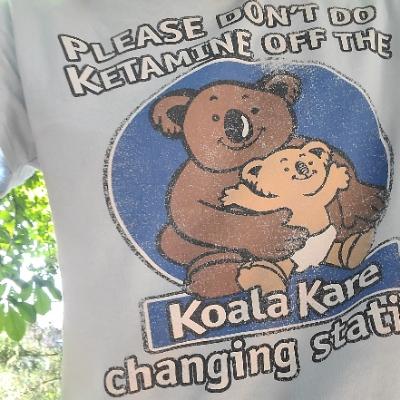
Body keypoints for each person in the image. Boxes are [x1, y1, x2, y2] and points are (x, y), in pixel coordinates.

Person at [1, 1, 399, 399]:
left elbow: (334, 167)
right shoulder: (31, 22)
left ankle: (340, 249)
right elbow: (189, 216)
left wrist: (354, 196)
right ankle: (246, 276)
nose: (239, 123)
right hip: (172, 352)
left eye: (252, 108)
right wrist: (251, 232)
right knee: (202, 259)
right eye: (215, 118)